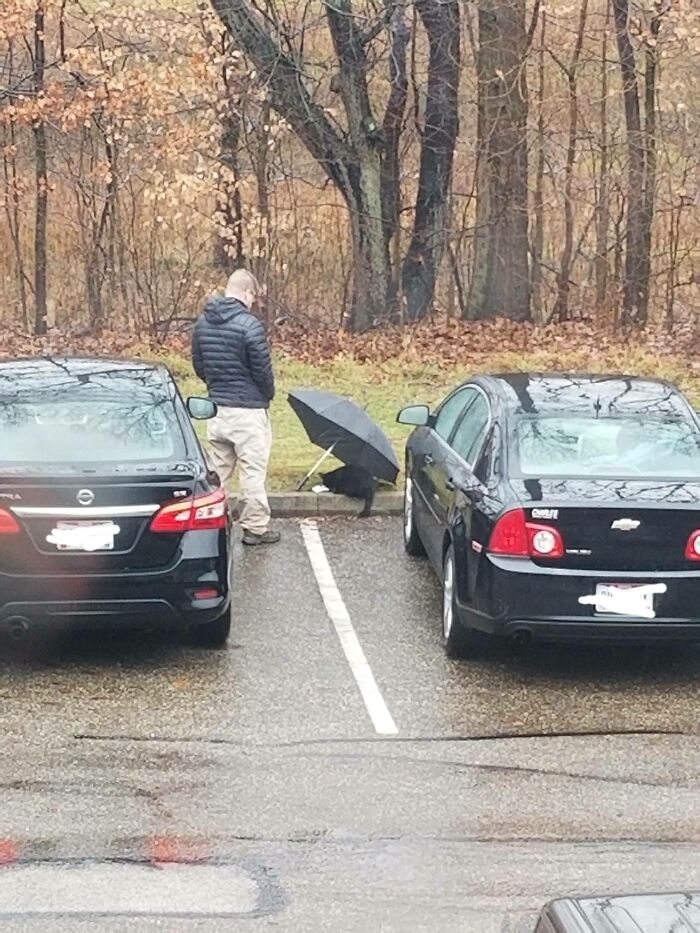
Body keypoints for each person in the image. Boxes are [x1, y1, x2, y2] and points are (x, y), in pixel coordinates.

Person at [192, 270, 280, 546]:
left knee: (219, 473)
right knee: (252, 472)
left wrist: (215, 386)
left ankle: (214, 524)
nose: (254, 302)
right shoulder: (250, 325)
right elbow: (263, 371)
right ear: (247, 293)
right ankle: (255, 528)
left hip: (217, 410)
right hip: (248, 412)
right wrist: (266, 395)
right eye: (254, 296)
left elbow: (198, 364)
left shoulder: (203, 322)